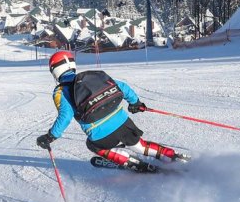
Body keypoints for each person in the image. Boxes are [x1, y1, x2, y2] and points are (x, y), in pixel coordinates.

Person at [36, 50, 189, 172]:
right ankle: (171, 156)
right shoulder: (91, 77)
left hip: (100, 135)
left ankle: (126, 160)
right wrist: (136, 103)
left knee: (92, 145)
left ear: (54, 70)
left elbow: (65, 116)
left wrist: (51, 136)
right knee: (139, 146)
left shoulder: (61, 91)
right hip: (124, 123)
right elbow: (122, 86)